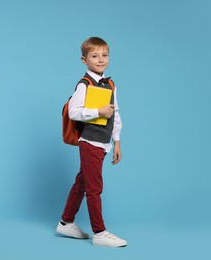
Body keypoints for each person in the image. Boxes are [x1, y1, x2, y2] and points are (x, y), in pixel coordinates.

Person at [56, 37, 127, 247]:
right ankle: (99, 232)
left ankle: (65, 222)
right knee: (94, 188)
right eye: (94, 56)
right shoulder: (84, 84)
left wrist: (117, 141)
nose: (100, 60)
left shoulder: (110, 84)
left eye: (104, 55)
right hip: (90, 142)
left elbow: (116, 114)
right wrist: (98, 111)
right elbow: (74, 112)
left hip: (103, 143)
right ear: (84, 60)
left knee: (83, 183)